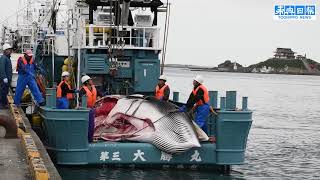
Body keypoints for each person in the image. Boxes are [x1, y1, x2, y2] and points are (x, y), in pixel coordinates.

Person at [0, 44, 13, 109]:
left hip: (8, 79)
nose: (10, 51)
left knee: (5, 91)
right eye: (8, 50)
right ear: (5, 51)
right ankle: (2, 104)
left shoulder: (7, 58)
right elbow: (2, 68)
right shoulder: (3, 58)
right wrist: (4, 77)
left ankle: (4, 103)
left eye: (10, 50)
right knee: (3, 91)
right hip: (5, 79)